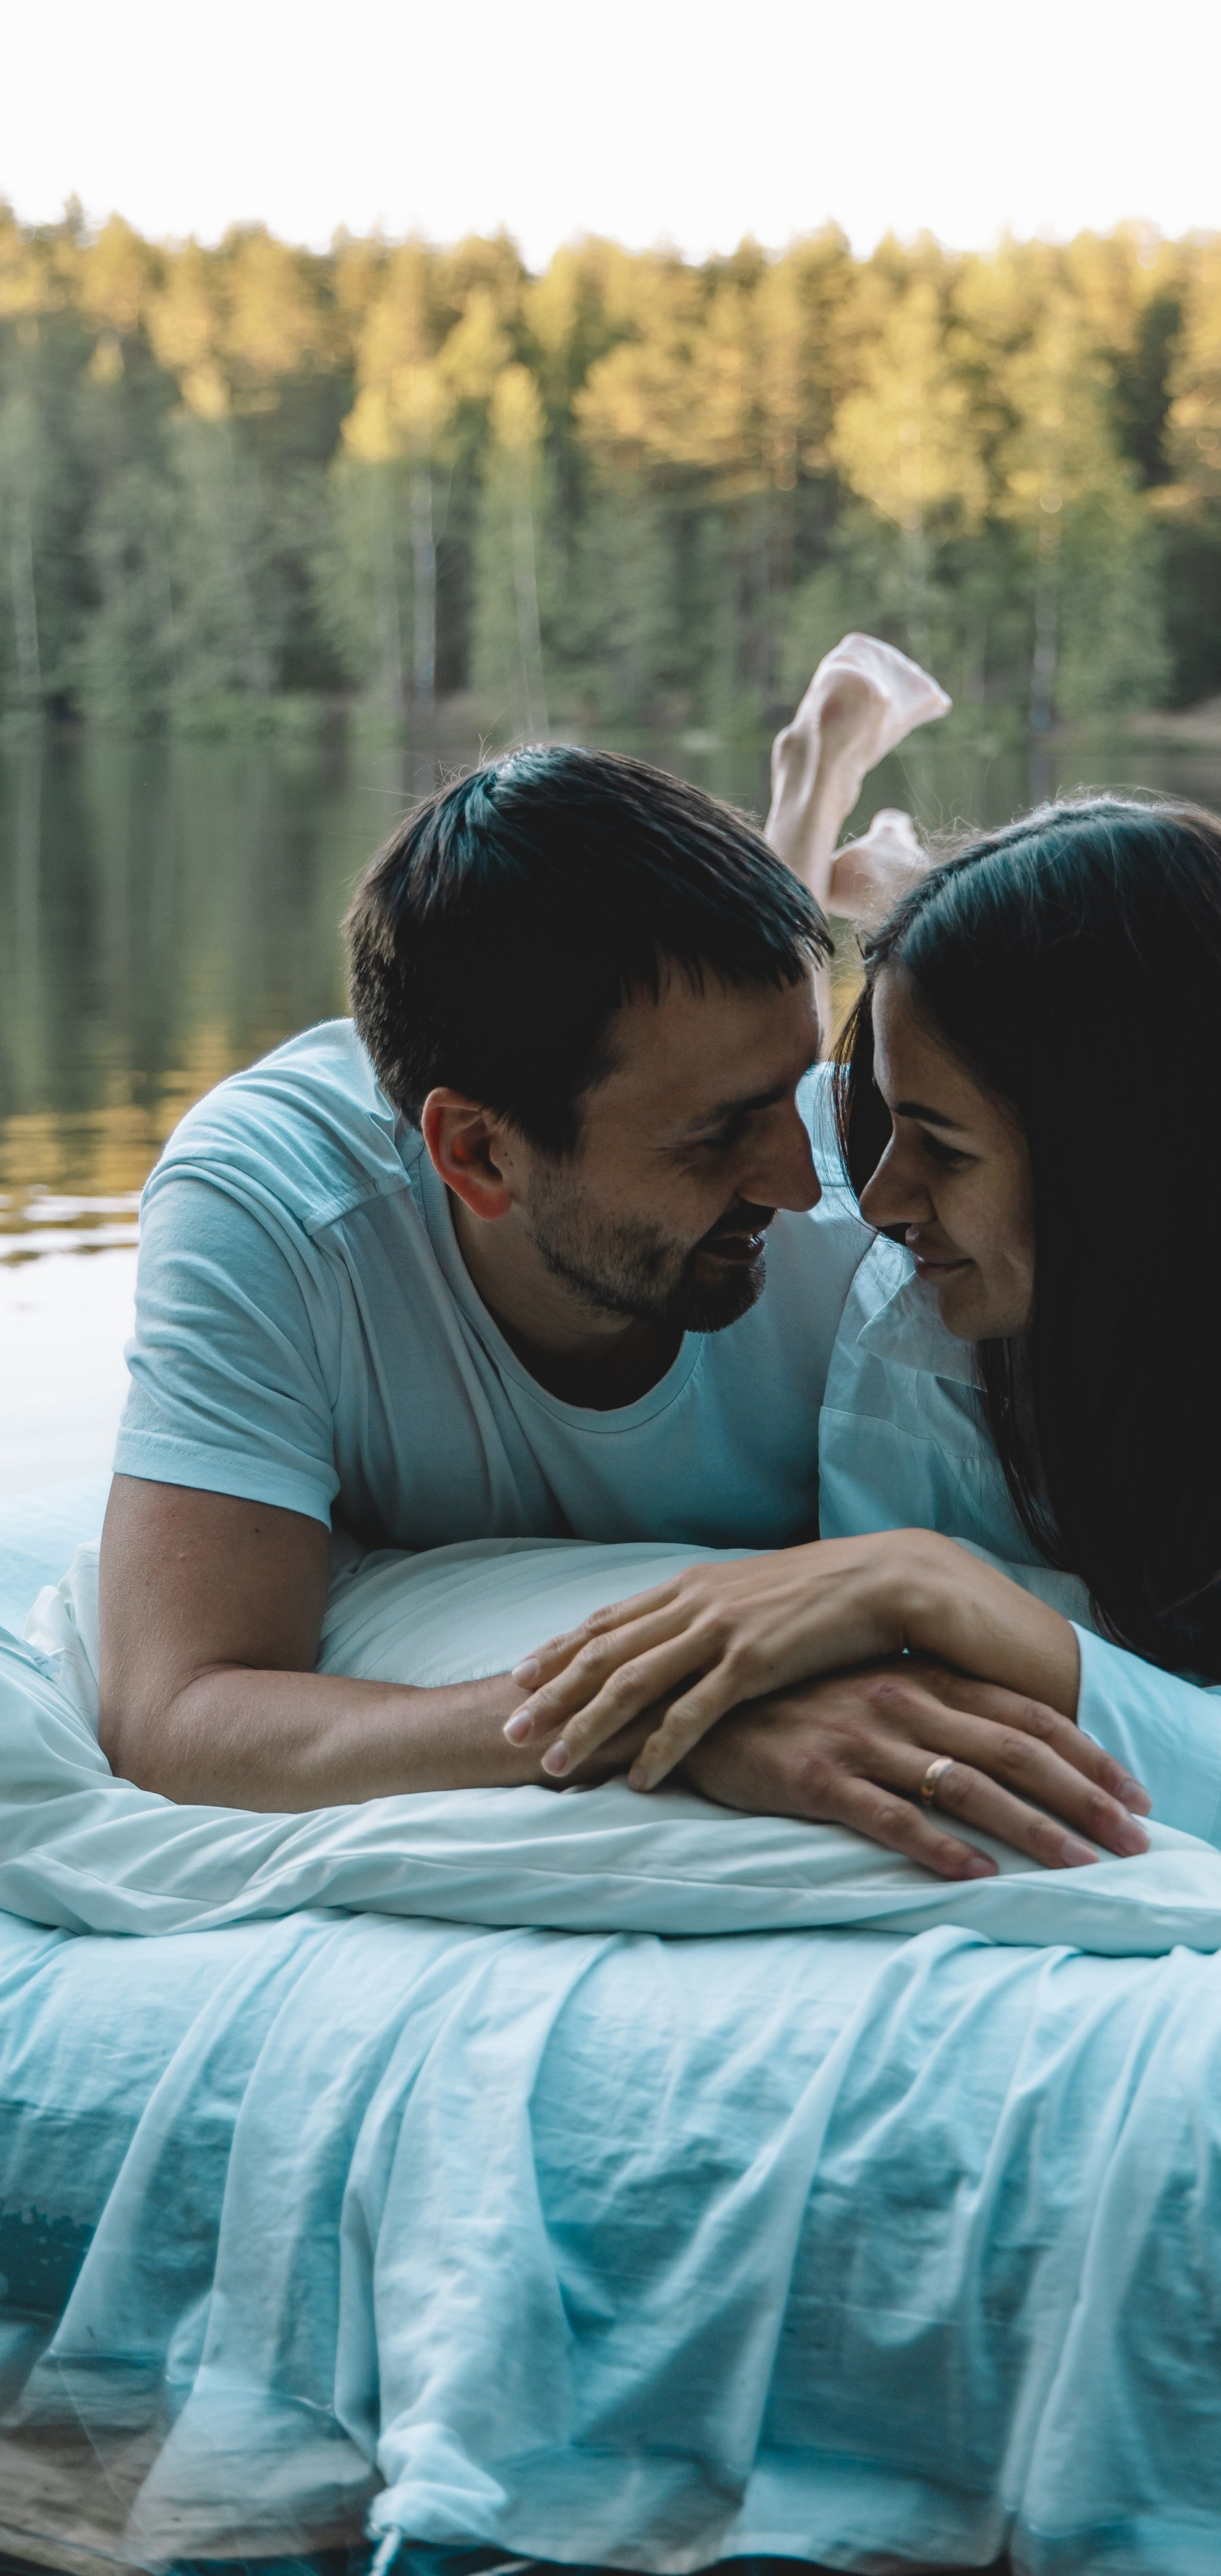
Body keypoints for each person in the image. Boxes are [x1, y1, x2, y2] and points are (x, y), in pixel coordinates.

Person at [95, 636, 1149, 1875]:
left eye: (795, 1093)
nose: (813, 1183)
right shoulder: (278, 1213)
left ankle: (820, 825)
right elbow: (176, 1717)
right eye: (716, 1139)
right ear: (477, 1154)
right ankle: (807, 800)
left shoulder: (888, 1183)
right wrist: (651, 1720)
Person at [502, 791, 1221, 1892]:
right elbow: (948, 1711)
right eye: (885, 1124)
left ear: (1122, 1161)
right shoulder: (926, 1312)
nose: (877, 1201)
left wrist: (931, 1584)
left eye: (946, 1150)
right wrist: (925, 1598)